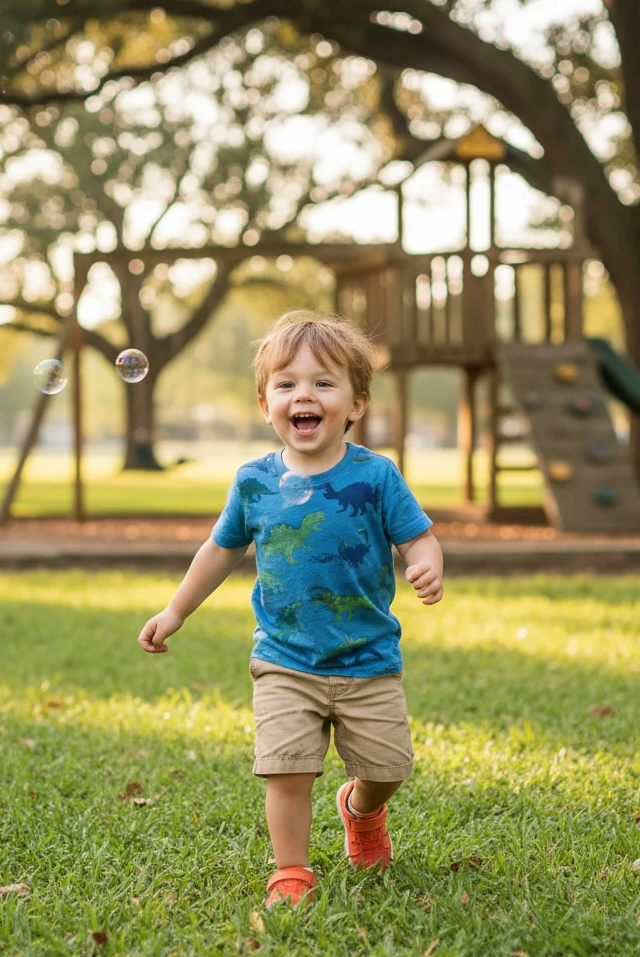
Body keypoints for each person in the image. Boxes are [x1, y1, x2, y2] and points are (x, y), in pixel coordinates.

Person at [138, 310, 444, 908]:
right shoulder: (254, 482)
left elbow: (417, 536)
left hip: (367, 658)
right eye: (287, 384)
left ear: (356, 404)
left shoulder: (376, 477)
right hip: (284, 660)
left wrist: (427, 561)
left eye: (324, 383)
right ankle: (292, 871)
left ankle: (360, 810)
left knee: (388, 769)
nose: (304, 394)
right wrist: (175, 611)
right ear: (265, 403)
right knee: (287, 770)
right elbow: (219, 550)